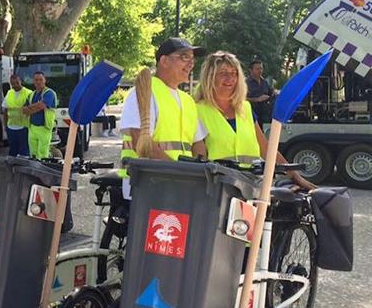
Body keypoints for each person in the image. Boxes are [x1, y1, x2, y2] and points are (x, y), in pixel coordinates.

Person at [195, 51, 315, 189]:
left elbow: (265, 148)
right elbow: (198, 159)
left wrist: (295, 176)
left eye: (234, 73)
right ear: (210, 77)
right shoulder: (197, 110)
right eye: (223, 73)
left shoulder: (245, 108)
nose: (230, 78)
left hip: (252, 186)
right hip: (217, 187)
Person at [118, 38, 208, 199]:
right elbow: (141, 141)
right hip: (147, 184)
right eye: (184, 57)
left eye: (192, 59)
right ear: (164, 61)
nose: (191, 64)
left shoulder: (187, 100)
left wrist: (197, 174)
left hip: (180, 186)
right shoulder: (144, 92)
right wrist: (179, 173)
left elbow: (198, 143)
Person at [22, 71, 56, 159]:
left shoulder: (49, 93)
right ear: (33, 81)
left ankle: (43, 167)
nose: (38, 82)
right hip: (32, 128)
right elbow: (24, 110)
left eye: (41, 79)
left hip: (44, 128)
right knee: (33, 154)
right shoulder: (31, 95)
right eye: (36, 80)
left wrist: (30, 108)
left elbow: (42, 105)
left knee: (43, 154)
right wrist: (35, 107)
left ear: (45, 80)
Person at [2, 74, 32, 156]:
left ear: (21, 82)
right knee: (12, 152)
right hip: (11, 127)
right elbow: (5, 111)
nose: (15, 85)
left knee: (24, 152)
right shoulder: (9, 93)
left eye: (17, 83)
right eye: (13, 83)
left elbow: (32, 110)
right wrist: (5, 127)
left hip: (24, 127)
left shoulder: (28, 93)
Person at [246, 59, 275, 123]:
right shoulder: (245, 83)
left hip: (265, 115)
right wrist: (257, 99)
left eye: (261, 68)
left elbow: (271, 93)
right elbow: (241, 99)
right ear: (250, 70)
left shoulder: (264, 82)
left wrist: (273, 94)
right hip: (251, 115)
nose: (260, 71)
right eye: (257, 69)